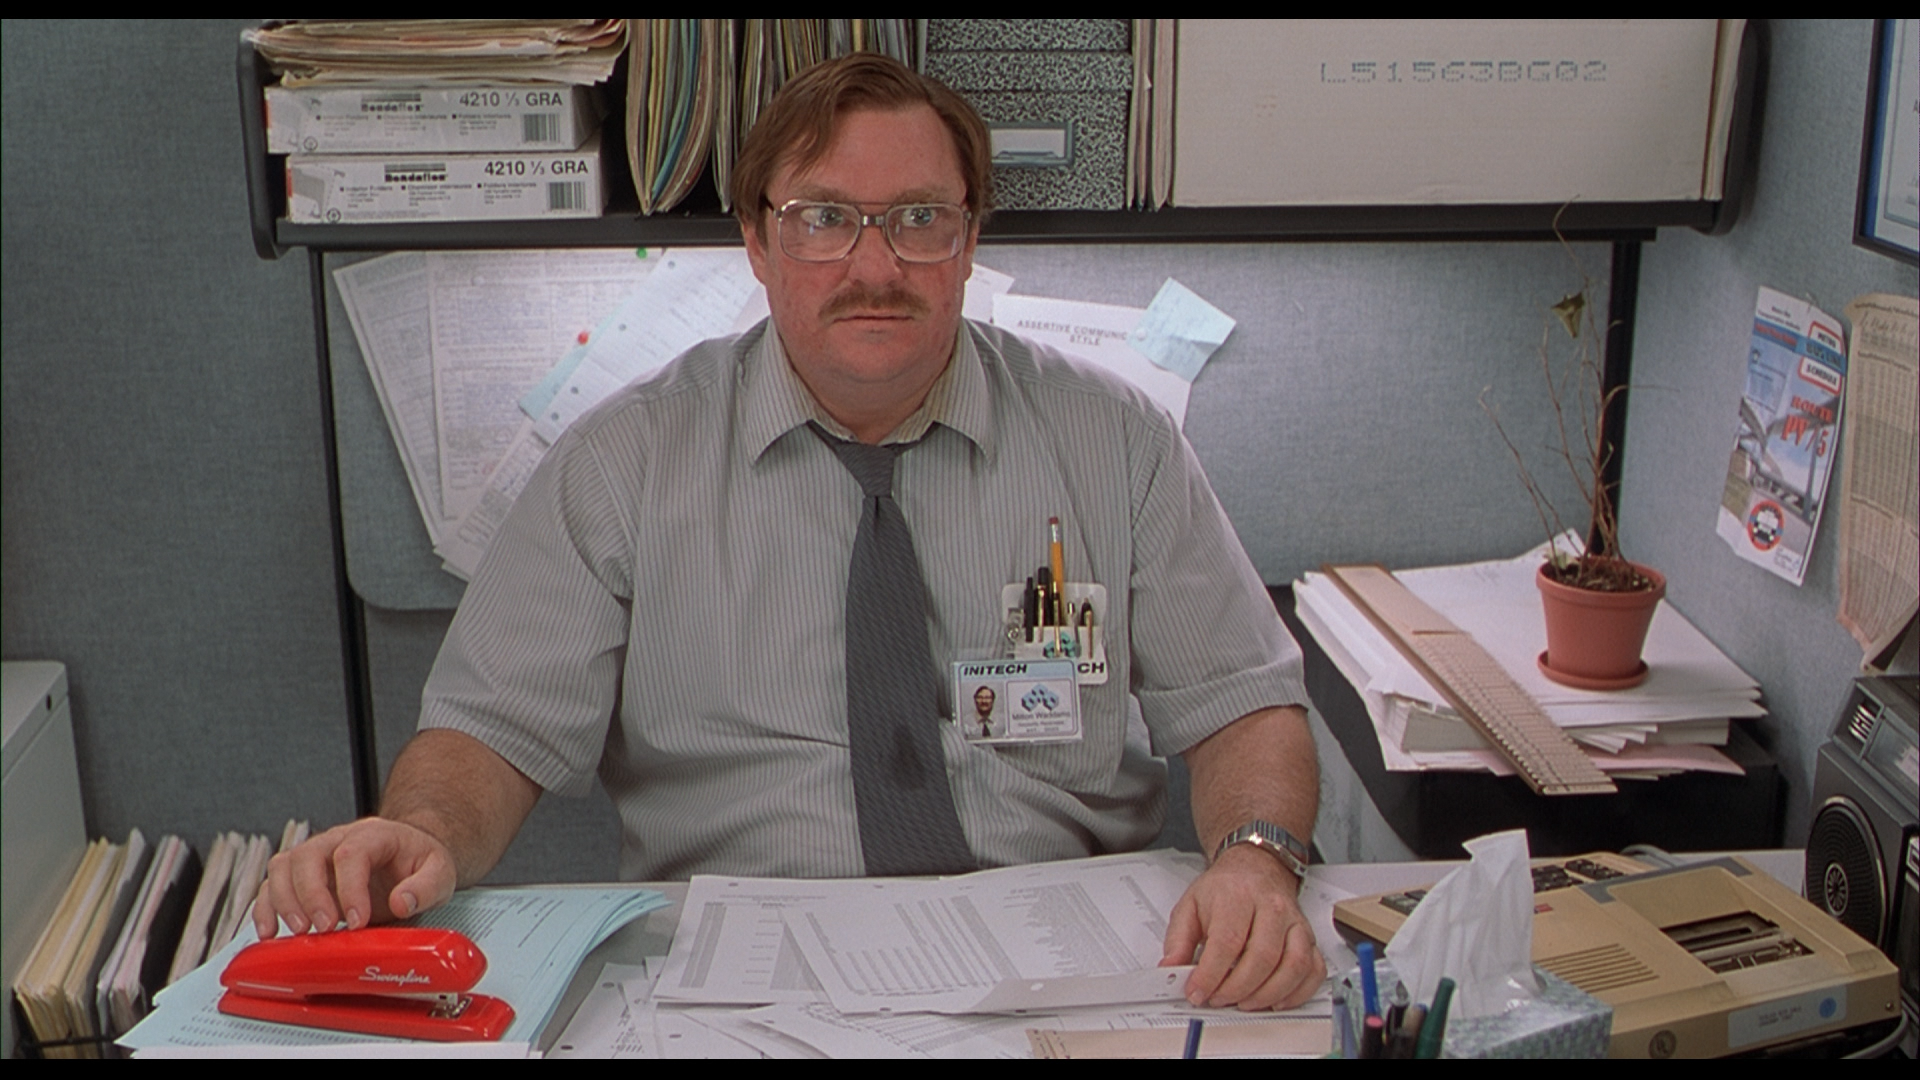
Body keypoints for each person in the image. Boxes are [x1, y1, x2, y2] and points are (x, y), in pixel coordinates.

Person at [257, 52, 1322, 1012]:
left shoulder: (1114, 439)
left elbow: (1244, 705)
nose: (875, 266)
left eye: (918, 218)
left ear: (968, 240)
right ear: (759, 242)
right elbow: (489, 733)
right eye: (823, 219)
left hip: (1068, 964)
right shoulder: (626, 459)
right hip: (737, 981)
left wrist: (1257, 860)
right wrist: (423, 833)